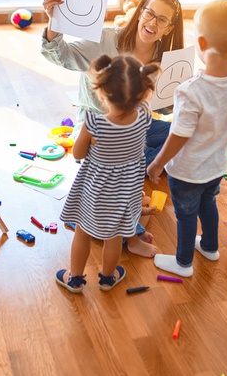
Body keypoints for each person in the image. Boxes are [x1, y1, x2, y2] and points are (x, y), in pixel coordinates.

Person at [147, 0, 227, 278]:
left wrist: (158, 163)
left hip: (187, 171)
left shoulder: (189, 91)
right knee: (208, 205)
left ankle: (183, 264)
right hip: (216, 165)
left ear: (202, 43)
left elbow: (178, 135)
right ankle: (209, 246)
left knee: (185, 215)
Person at [41, 0, 185, 166]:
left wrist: (175, 98)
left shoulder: (167, 60)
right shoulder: (106, 40)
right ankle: (142, 163)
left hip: (136, 127)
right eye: (150, 14)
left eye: (162, 20)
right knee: (105, 152)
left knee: (184, 135)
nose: (153, 23)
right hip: (98, 128)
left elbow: (163, 109)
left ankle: (136, 164)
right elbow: (61, 54)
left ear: (168, 29)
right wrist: (54, 22)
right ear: (140, 13)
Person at [56, 55, 159, 293]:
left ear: (101, 92)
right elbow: (144, 99)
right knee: (114, 236)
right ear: (142, 92)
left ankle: (75, 280)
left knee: (82, 232)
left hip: (95, 192)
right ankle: (107, 279)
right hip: (125, 192)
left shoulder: (94, 123)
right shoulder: (144, 115)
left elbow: (78, 154)